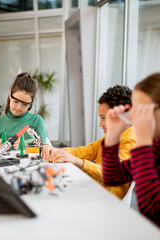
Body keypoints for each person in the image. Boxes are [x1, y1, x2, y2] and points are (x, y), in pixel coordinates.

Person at [44, 85, 135, 199]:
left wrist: (77, 161)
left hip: (104, 201)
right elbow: (85, 151)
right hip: (95, 191)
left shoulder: (131, 142)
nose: (100, 124)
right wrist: (56, 151)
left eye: (104, 118)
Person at [102, 73, 160, 227]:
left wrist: (143, 142)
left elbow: (151, 207)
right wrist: (112, 137)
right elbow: (112, 177)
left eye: (142, 111)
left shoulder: (147, 146)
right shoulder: (155, 147)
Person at [0, 73, 46, 151]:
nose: (18, 107)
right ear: (10, 95)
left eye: (25, 104)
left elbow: (43, 151)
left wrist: (24, 149)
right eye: (16, 101)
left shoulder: (37, 121)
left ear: (31, 104)